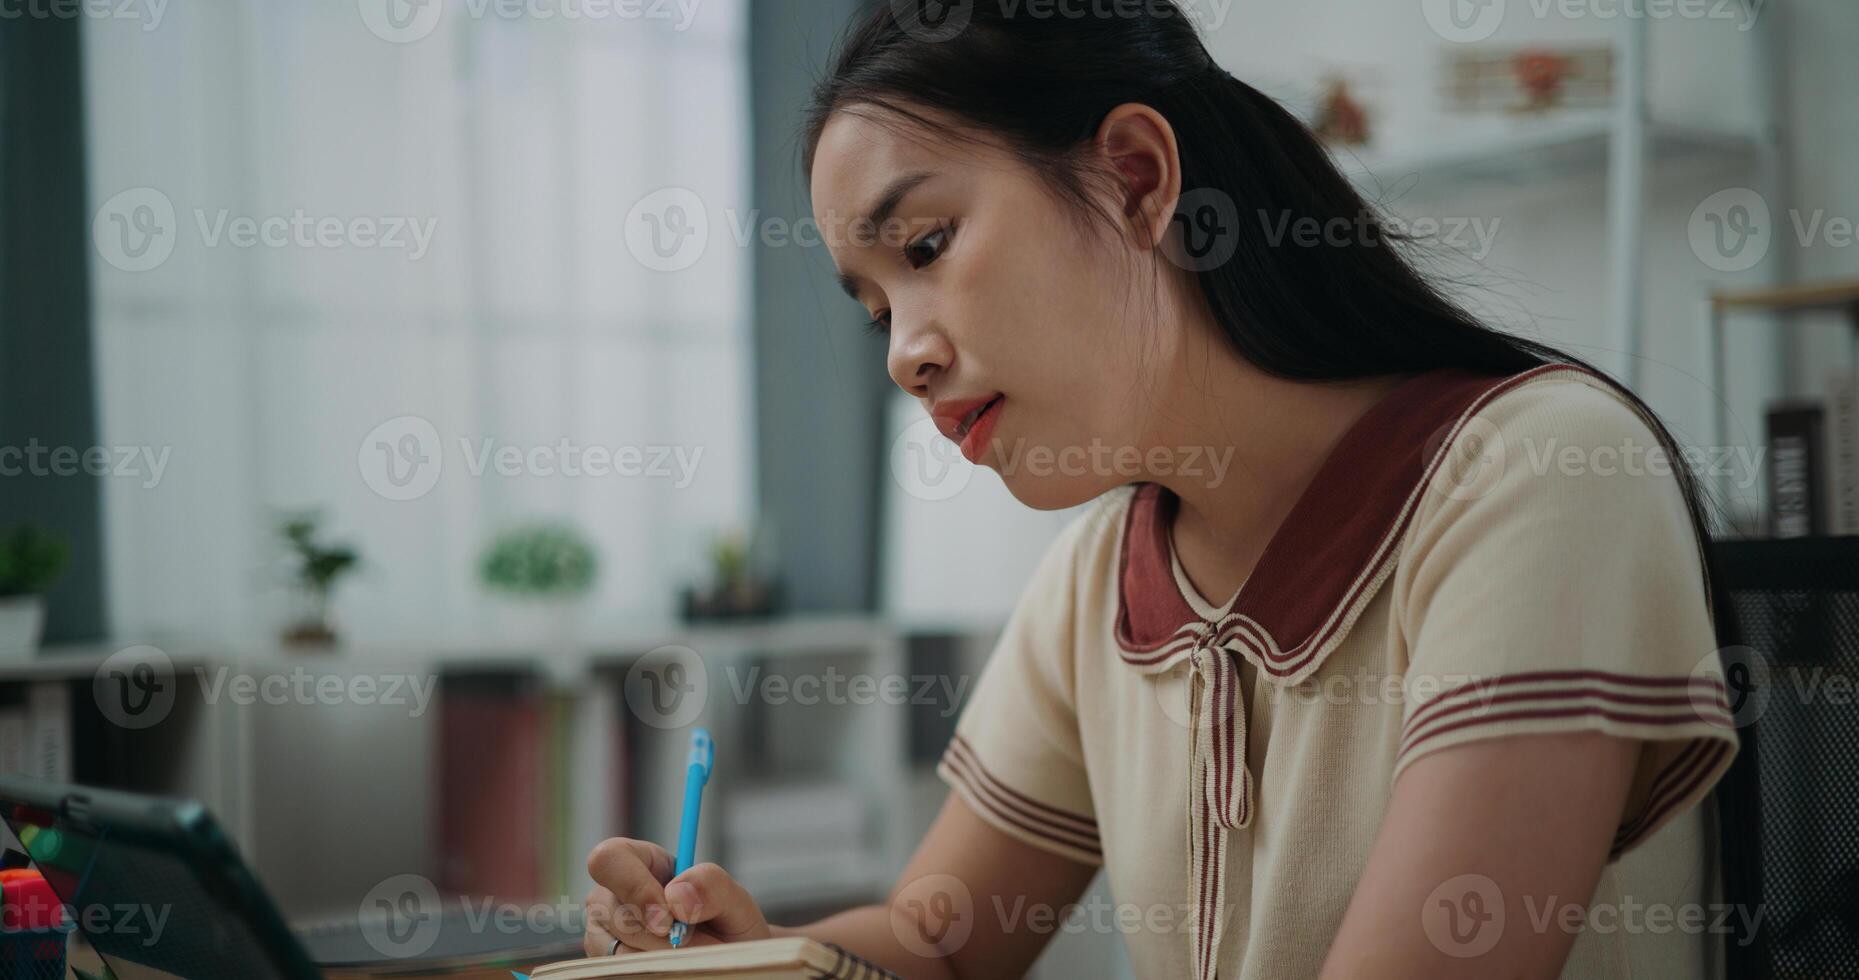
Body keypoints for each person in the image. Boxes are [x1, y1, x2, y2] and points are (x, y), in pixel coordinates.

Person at [584, 3, 1742, 977]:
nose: (903, 356)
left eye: (927, 246)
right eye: (877, 308)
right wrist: (747, 953)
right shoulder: (1098, 578)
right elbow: (936, 942)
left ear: (1135, 178)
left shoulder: (1530, 476)